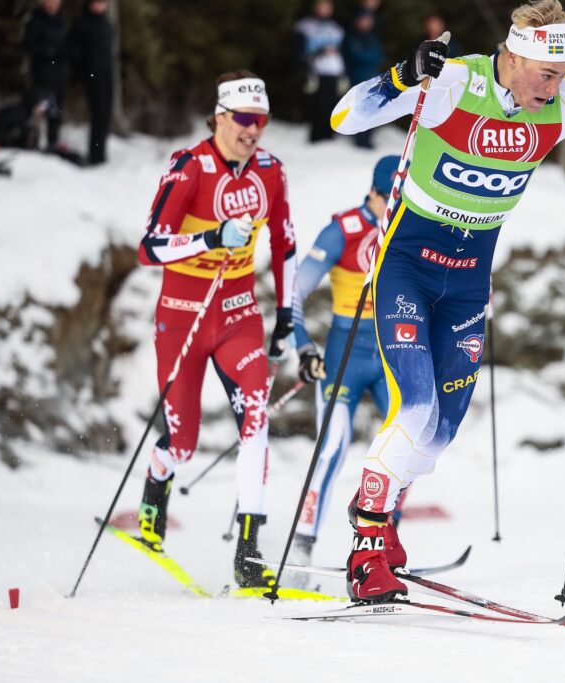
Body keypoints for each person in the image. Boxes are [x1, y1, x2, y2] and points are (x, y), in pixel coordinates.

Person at [330, 0, 565, 602]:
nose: (556, 84)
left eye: (564, 70)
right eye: (547, 72)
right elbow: (343, 118)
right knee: (413, 411)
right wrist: (402, 77)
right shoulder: (456, 83)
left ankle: (380, 508)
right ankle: (367, 545)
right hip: (409, 266)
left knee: (439, 434)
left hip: (469, 277)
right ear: (514, 56)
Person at [135, 71, 297, 590]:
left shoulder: (271, 171)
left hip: (237, 315)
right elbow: (150, 247)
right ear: (221, 116)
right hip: (182, 315)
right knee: (182, 444)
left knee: (256, 413)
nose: (254, 131)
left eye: (263, 121)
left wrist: (287, 313)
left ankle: (249, 551)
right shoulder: (189, 167)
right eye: (246, 120)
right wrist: (208, 237)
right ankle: (157, 483)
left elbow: (285, 244)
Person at [290, 155, 400, 568]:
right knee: (332, 448)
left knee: (401, 452)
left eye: (400, 196)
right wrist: (303, 347)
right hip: (345, 354)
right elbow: (294, 292)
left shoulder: (408, 227)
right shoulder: (343, 230)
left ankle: (385, 547)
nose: (393, 205)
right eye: (387, 197)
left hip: (392, 355)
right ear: (372, 193)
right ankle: (302, 547)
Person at [68, 0, 114, 165]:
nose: (99, 6)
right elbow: (73, 50)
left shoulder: (107, 24)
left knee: (105, 115)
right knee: (98, 113)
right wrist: (82, 73)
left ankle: (100, 154)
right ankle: (95, 155)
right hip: (92, 75)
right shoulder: (82, 23)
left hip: (107, 74)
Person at [295, 0, 346, 142]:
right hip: (316, 72)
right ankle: (315, 137)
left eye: (328, 7)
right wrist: (320, 52)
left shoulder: (336, 28)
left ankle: (328, 136)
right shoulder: (306, 26)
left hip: (334, 71)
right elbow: (300, 52)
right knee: (318, 105)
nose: (325, 10)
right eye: (322, 7)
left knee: (333, 105)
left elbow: (341, 50)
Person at [22, 0, 66, 151]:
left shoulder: (62, 20)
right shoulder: (36, 19)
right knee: (39, 107)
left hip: (59, 73)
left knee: (57, 109)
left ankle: (53, 142)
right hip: (41, 73)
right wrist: (48, 51)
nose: (51, 3)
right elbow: (28, 45)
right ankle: (31, 142)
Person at [341, 8, 386, 149]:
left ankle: (367, 138)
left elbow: (379, 57)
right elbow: (355, 57)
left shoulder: (373, 38)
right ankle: (358, 138)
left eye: (368, 20)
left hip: (373, 78)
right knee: (358, 108)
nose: (366, 23)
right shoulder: (351, 37)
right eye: (363, 20)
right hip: (357, 78)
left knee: (373, 108)